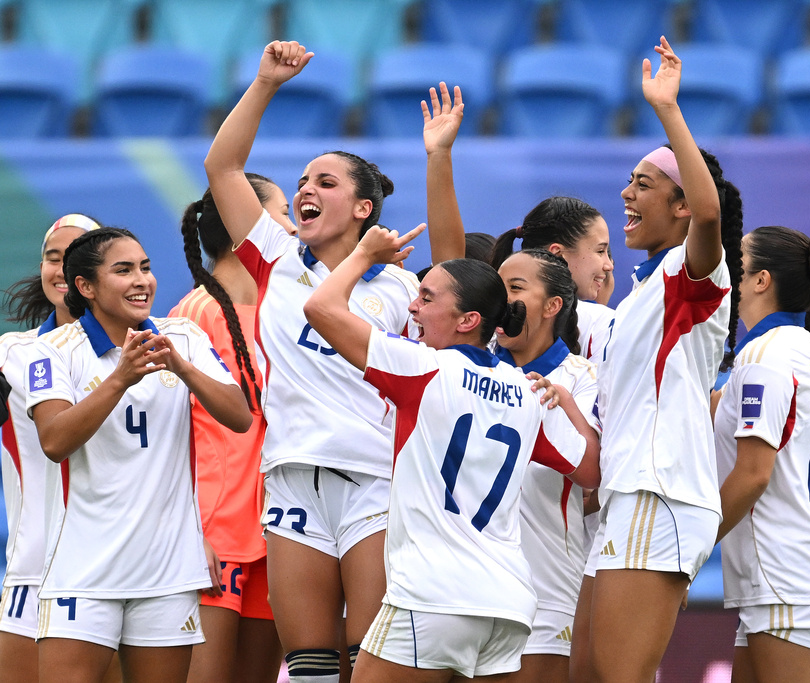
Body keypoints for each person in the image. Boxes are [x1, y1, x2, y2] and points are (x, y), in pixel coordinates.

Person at [204, 41, 464, 683]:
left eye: (325, 183)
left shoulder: (403, 287)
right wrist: (264, 82)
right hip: (292, 478)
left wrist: (438, 157)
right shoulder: (277, 262)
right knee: (311, 661)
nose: (305, 192)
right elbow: (223, 167)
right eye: (301, 185)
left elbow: (462, 265)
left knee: (373, 658)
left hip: (376, 480)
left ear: (364, 208)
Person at [302, 225, 600, 682]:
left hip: (433, 595)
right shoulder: (527, 393)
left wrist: (364, 252)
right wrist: (565, 401)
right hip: (508, 605)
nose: (412, 307)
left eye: (426, 297)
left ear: (467, 321)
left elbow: (319, 307)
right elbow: (589, 471)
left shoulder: (421, 367)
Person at [580, 37, 744, 683]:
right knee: (596, 673)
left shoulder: (690, 271)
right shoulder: (645, 287)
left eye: (642, 183)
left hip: (660, 493)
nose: (625, 193)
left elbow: (709, 210)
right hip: (631, 492)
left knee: (620, 675)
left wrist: (668, 111)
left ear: (679, 206)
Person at [26, 227, 251, 683]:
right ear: (86, 287)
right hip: (82, 569)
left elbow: (240, 417)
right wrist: (120, 379)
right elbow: (54, 441)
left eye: (145, 268)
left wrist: (182, 367)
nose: (141, 280)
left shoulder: (182, 336)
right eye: (123, 270)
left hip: (168, 569)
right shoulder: (48, 350)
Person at [714, 226, 810, 683]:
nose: (726, 269)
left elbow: (754, 474)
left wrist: (689, 553)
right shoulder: (806, 349)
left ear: (761, 280)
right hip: (785, 575)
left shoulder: (766, 354)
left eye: (737, 261)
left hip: (791, 578)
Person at [170, 176, 294, 683]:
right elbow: (171, 440)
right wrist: (190, 531)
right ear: (249, 224)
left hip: (277, 532)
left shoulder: (285, 311)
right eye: (282, 213)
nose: (290, 226)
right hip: (215, 534)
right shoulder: (193, 315)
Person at [491, 249, 601, 683]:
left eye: (515, 289)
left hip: (547, 585)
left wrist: (565, 405)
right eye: (498, 290)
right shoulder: (464, 364)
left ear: (552, 305)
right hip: (469, 584)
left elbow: (592, 477)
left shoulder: (583, 376)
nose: (503, 300)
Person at [0, 214, 100, 683]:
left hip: (124, 567)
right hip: (32, 571)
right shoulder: (10, 354)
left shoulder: (150, 351)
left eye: (74, 257)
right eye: (51, 258)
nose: (61, 270)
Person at [490, 197, 615, 361]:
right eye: (600, 251)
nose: (608, 265)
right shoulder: (602, 322)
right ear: (558, 254)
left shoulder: (486, 319)